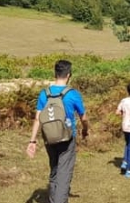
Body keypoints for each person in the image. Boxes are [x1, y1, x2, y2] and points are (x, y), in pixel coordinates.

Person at [26, 60, 89, 203]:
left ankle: (54, 198)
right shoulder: (72, 94)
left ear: (55, 74)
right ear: (68, 75)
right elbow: (83, 117)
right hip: (67, 138)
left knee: (54, 170)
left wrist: (32, 141)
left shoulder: (44, 94)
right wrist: (85, 130)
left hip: (49, 138)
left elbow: (38, 119)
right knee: (64, 174)